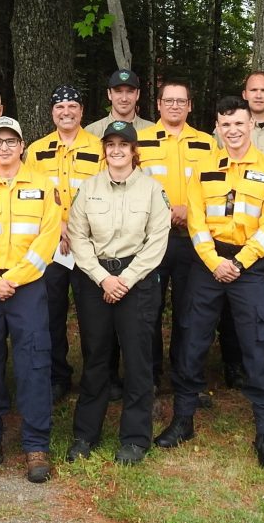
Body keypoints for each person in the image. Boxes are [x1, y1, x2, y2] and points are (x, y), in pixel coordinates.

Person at [154, 96, 264, 469]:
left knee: (257, 345)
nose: (233, 131)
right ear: (217, 126)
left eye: (239, 124)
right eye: (226, 125)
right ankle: (183, 420)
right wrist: (215, 262)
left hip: (249, 265)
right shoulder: (204, 168)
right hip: (207, 264)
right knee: (192, 339)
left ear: (251, 125)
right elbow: (196, 221)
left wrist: (239, 262)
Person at [0, 116, 60, 483]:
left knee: (34, 364)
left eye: (11, 141)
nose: (4, 147)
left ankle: (36, 444)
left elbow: (46, 240)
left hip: (27, 287)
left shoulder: (43, 186)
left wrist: (13, 279)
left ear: (22, 146)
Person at [66, 121, 170, 465]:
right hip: (96, 280)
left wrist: (126, 278)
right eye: (110, 144)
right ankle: (85, 435)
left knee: (138, 360)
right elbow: (78, 237)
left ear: (133, 150)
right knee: (95, 358)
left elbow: (157, 240)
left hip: (136, 280)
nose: (116, 150)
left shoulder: (153, 190)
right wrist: (102, 278)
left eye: (123, 144)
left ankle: (135, 438)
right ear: (104, 150)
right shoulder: (88, 188)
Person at [134, 80, 223, 392]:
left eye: (180, 101)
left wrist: (190, 211)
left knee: (190, 313)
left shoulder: (207, 143)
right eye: (168, 100)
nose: (174, 106)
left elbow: (216, 189)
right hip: (151, 242)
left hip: (192, 241)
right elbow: (130, 188)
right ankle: (151, 378)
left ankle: (187, 379)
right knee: (149, 312)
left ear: (190, 105)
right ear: (157, 105)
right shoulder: (140, 142)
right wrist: (165, 210)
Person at [25, 85, 104, 402]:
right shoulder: (36, 150)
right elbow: (30, 197)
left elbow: (105, 194)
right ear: (52, 112)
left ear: (82, 111)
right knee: (52, 314)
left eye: (72, 106)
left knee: (93, 315)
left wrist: (78, 228)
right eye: (60, 107)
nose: (66, 112)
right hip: (52, 247)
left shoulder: (99, 148)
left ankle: (97, 377)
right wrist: (57, 225)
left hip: (90, 246)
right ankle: (57, 376)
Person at [82, 68, 154, 137]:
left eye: (130, 92)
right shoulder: (92, 132)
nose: (124, 98)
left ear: (137, 94)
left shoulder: (152, 130)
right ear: (109, 94)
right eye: (118, 91)